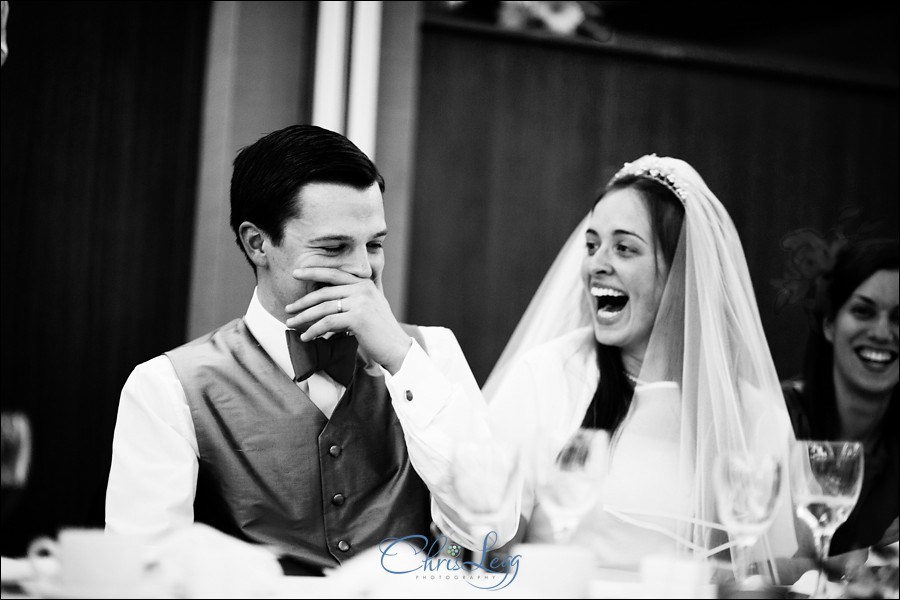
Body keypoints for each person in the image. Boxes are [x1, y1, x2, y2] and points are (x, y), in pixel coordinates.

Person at [106, 125, 514, 573]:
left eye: (374, 245)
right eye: (335, 248)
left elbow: (491, 525)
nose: (362, 270)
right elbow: (139, 575)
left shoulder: (431, 352)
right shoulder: (166, 388)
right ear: (257, 243)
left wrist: (402, 359)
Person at [484, 154, 799, 576]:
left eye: (624, 248)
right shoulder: (546, 376)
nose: (596, 264)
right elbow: (486, 545)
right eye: (592, 245)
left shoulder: (753, 418)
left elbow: (770, 572)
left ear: (683, 272)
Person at [782, 238, 898, 558]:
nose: (882, 332)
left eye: (898, 318)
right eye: (863, 311)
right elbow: (766, 567)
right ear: (830, 324)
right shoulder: (780, 420)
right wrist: (878, 560)